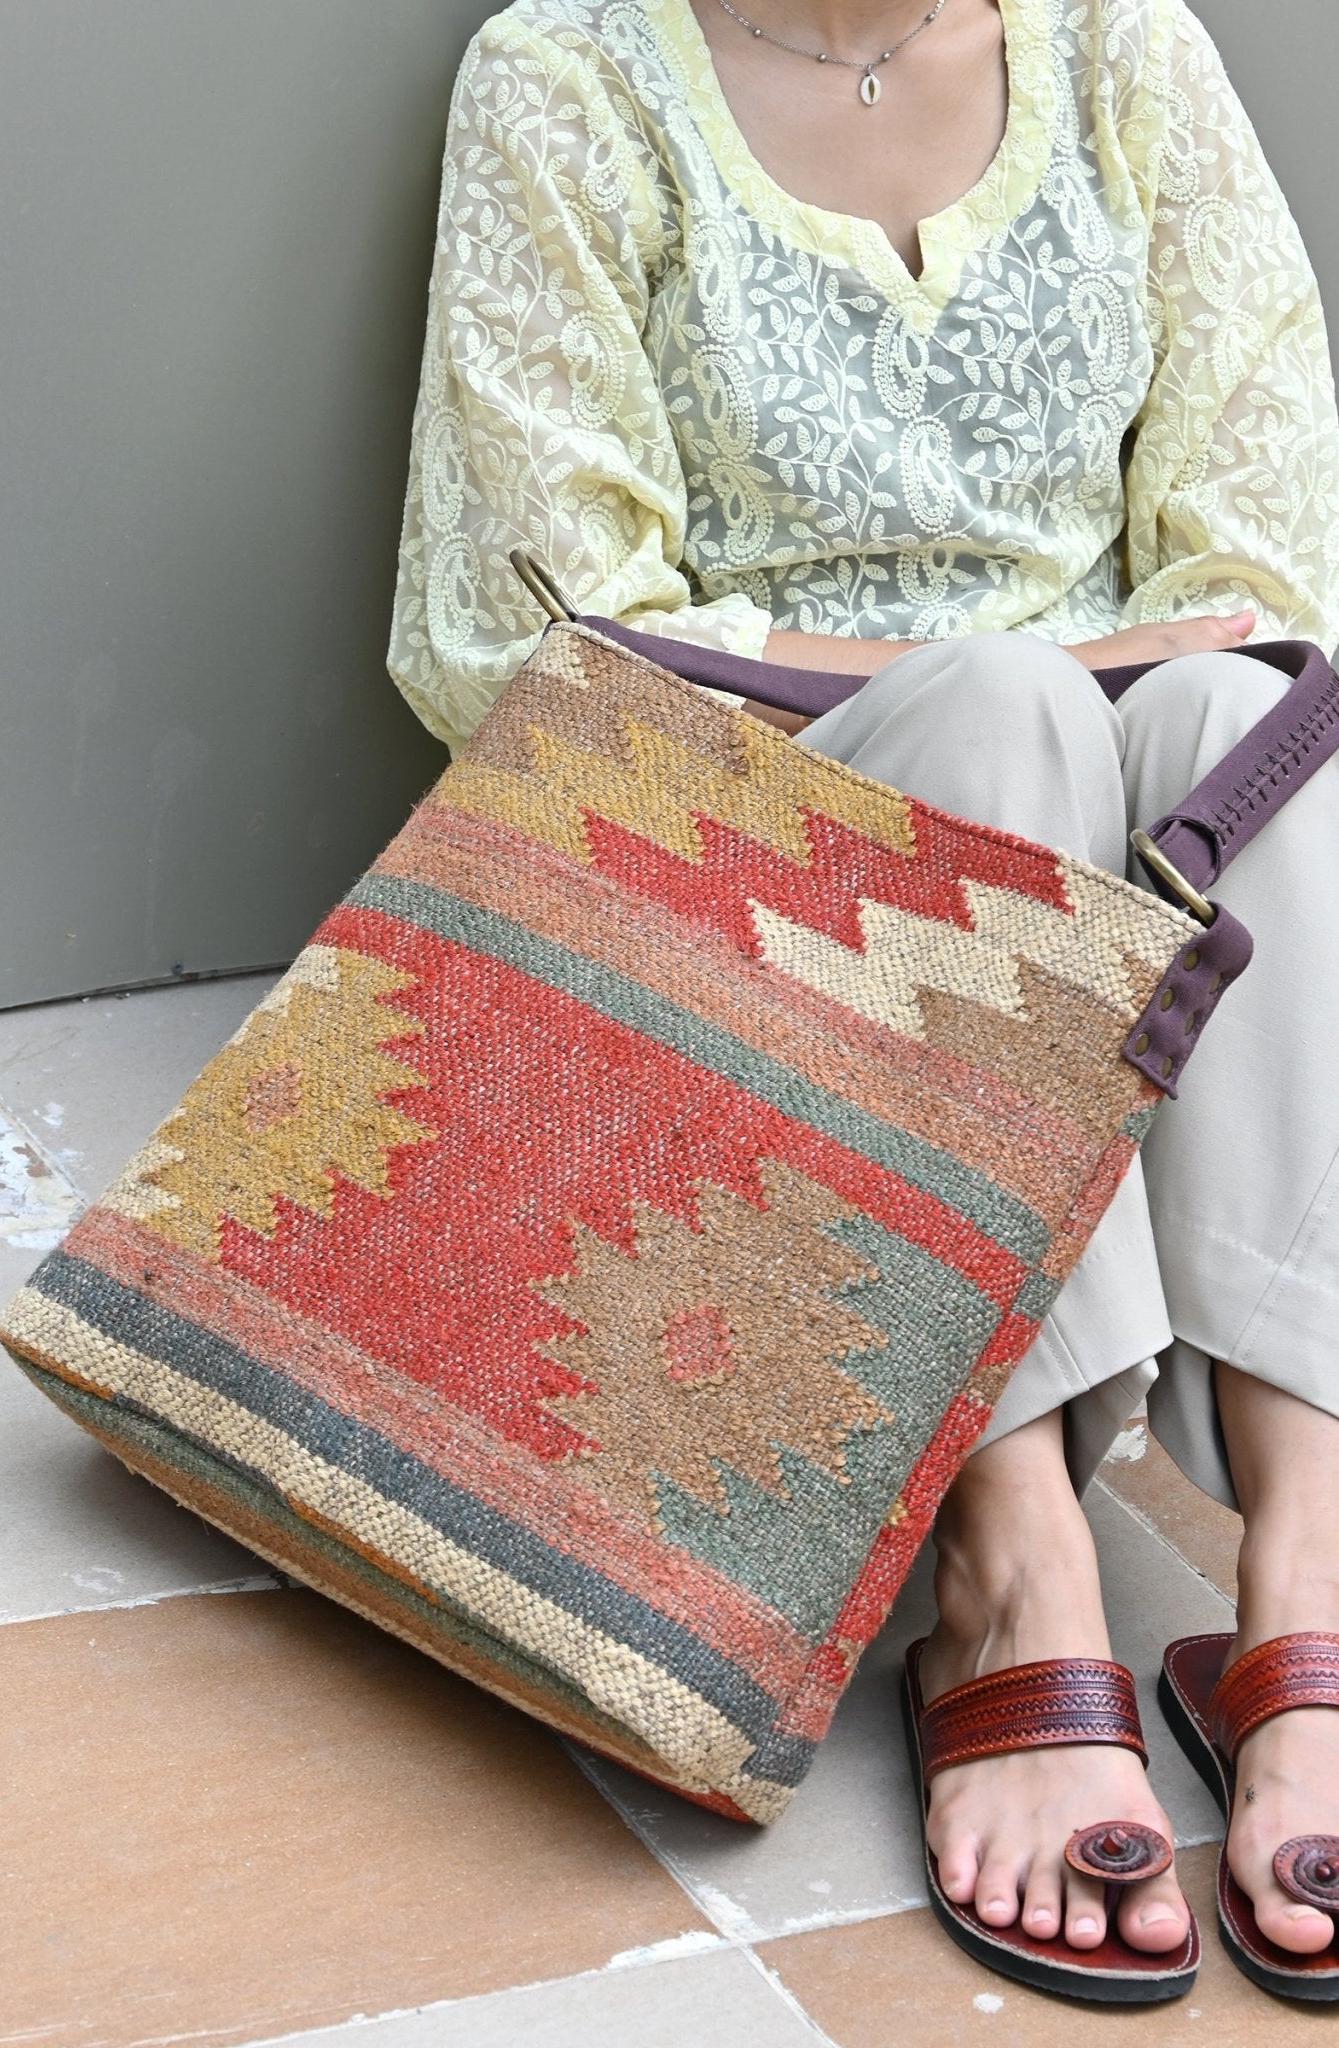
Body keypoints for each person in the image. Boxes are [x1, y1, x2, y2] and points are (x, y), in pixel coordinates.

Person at [388, 0, 1339, 1999]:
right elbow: (551, 632)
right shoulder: (567, 76)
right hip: (745, 874)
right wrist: (1014, 682)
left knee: (1243, 723)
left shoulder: (1124, 51)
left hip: (1117, 845)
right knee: (1001, 707)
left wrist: (1115, 688)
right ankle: (1012, 1561)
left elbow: (1261, 576)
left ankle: (1307, 1567)